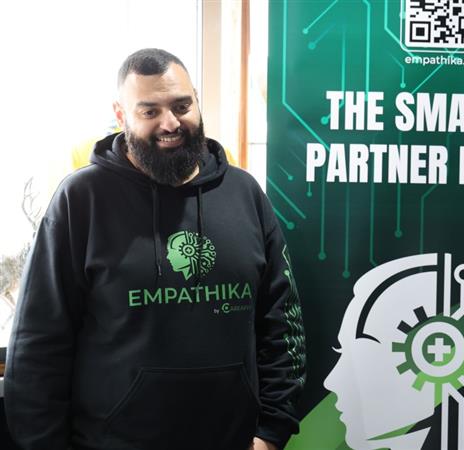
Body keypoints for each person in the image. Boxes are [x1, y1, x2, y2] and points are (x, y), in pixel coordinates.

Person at [4, 48, 306, 450]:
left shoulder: (244, 194)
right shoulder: (81, 201)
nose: (170, 123)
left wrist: (271, 432)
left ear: (196, 101)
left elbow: (282, 323)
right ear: (121, 115)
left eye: (182, 106)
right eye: (150, 111)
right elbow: (38, 344)